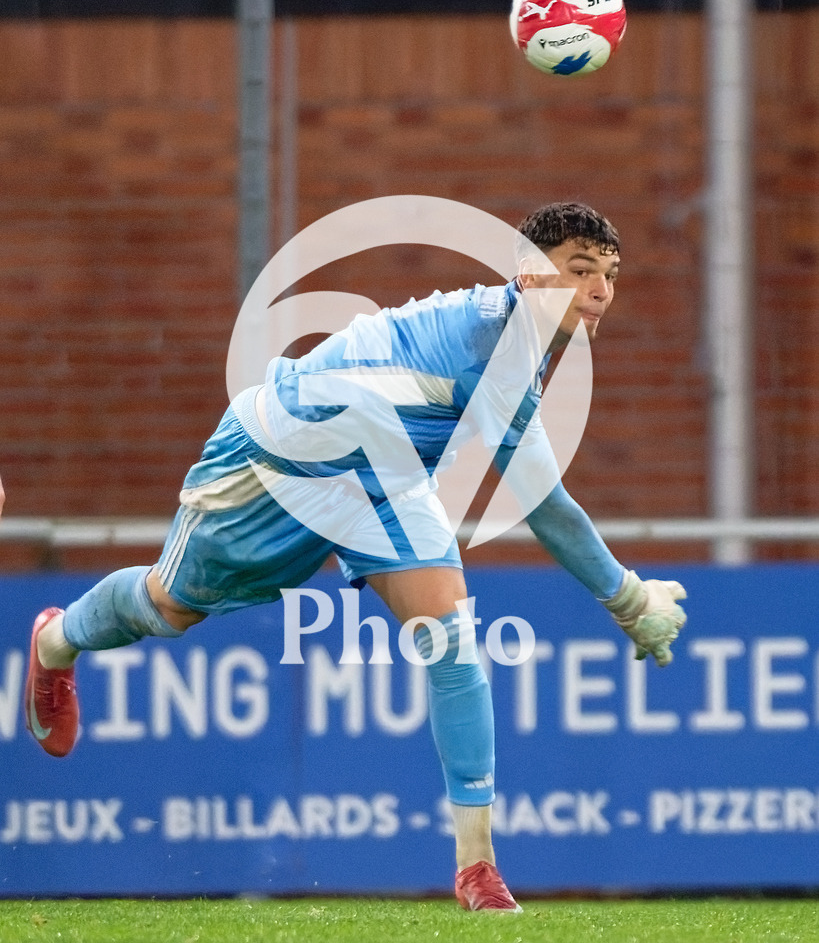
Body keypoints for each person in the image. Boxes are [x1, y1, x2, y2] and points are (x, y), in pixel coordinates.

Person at [24, 201, 687, 912]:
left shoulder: (524, 345)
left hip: (385, 476)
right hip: (282, 457)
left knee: (453, 643)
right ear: (527, 277)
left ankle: (477, 870)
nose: (599, 290)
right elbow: (545, 507)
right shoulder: (492, 342)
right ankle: (56, 641)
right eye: (578, 270)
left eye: (609, 274)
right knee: (169, 605)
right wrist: (627, 599)